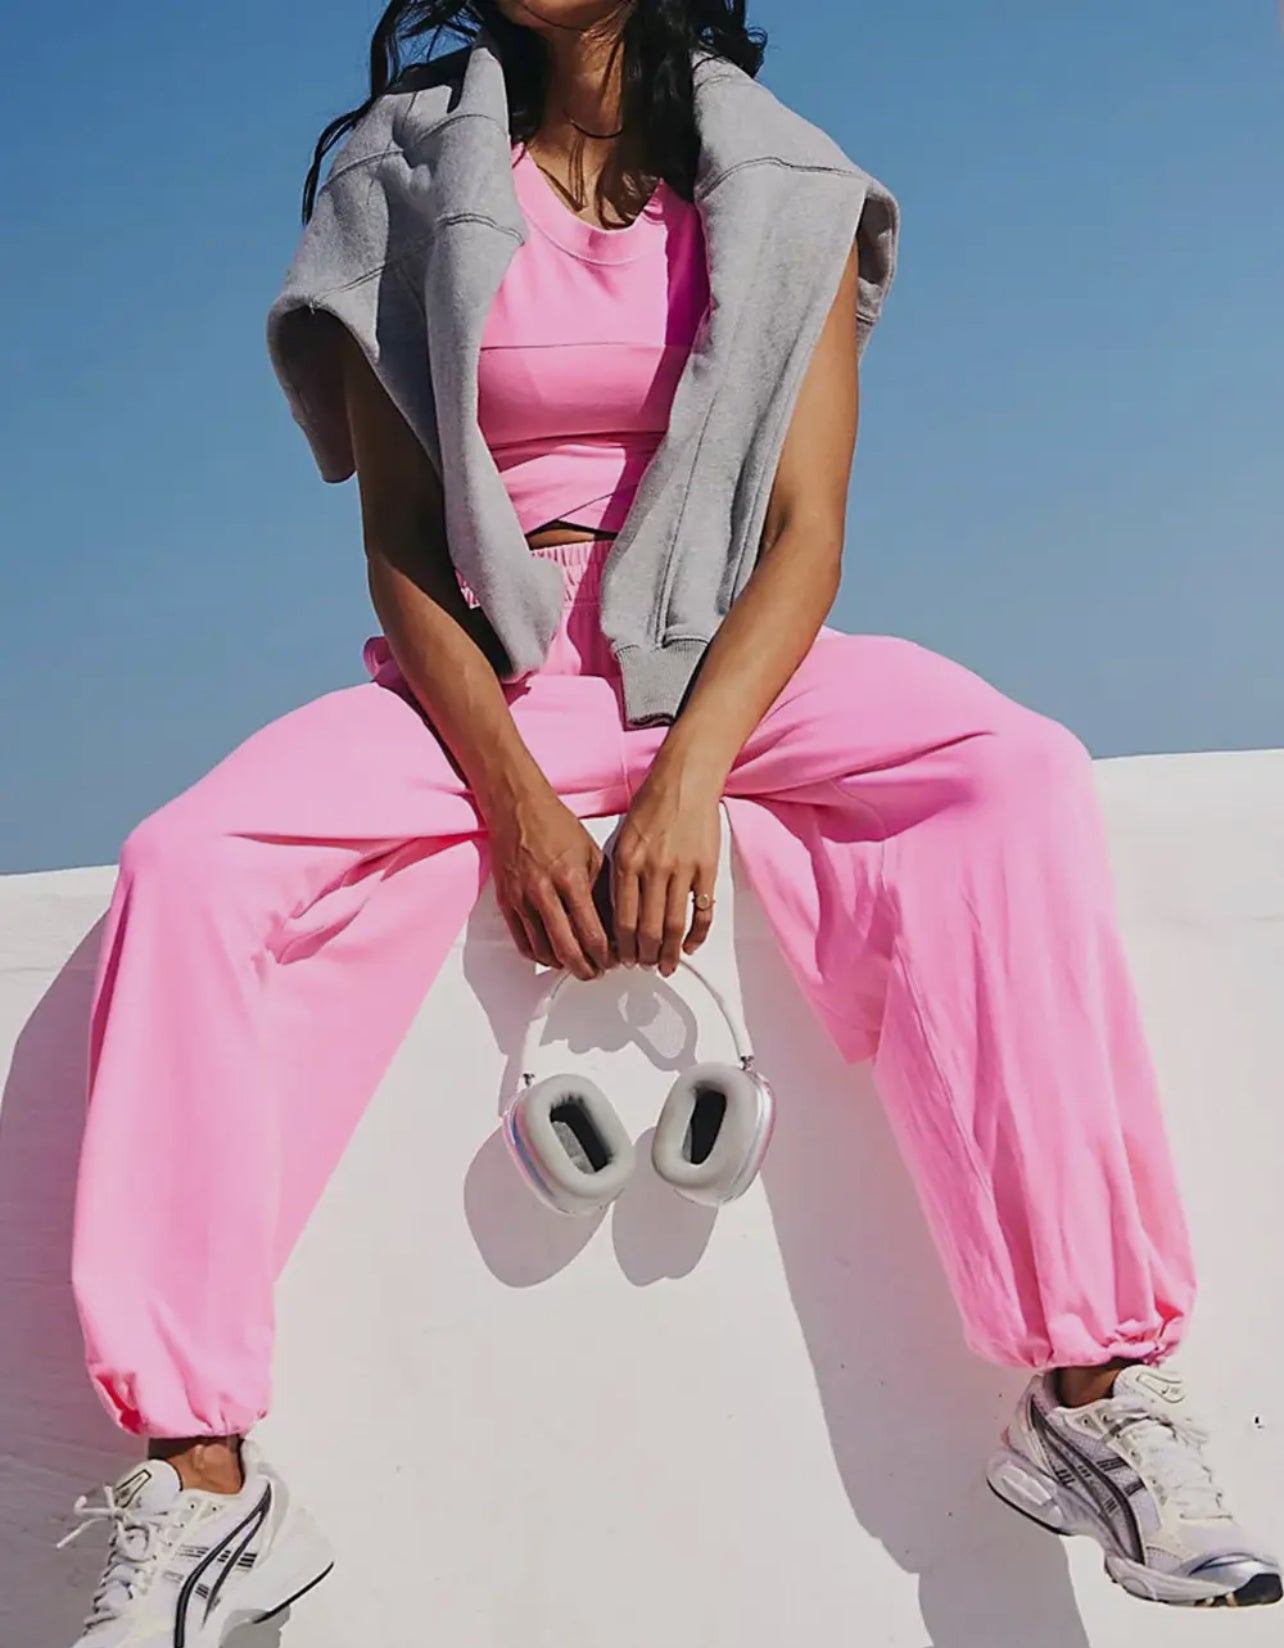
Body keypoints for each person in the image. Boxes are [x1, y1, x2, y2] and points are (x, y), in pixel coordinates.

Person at [60, 2, 1278, 1641]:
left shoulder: (789, 184)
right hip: (492, 672)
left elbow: (809, 529)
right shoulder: (400, 176)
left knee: (1015, 778)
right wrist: (513, 798)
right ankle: (205, 1486)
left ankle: (1094, 1394)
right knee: (189, 865)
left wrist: (692, 774)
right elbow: (402, 542)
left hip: (726, 664)